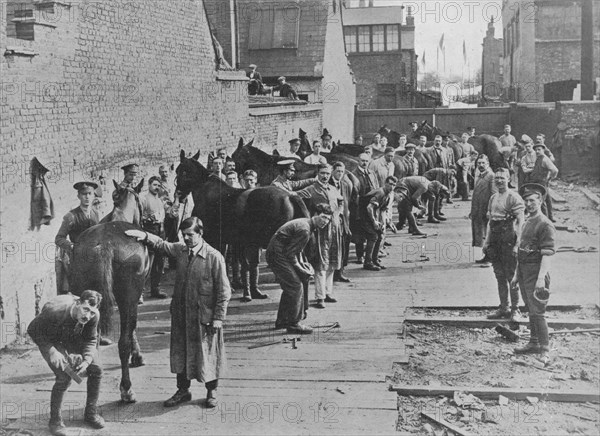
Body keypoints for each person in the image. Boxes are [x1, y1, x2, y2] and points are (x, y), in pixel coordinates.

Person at [125, 217, 231, 409]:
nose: (187, 238)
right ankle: (183, 390)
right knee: (181, 352)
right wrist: (144, 235)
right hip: (182, 314)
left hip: (205, 317)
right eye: (184, 235)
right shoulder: (181, 251)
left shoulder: (214, 257)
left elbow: (224, 291)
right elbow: (162, 245)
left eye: (191, 235)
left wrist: (218, 318)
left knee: (208, 354)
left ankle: (211, 391)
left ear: (200, 234)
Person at [27, 290, 105, 436]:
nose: (87, 316)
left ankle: (91, 413)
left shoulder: (93, 316)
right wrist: (52, 351)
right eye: (85, 309)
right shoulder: (55, 311)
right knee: (64, 377)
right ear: (77, 303)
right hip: (52, 340)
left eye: (92, 312)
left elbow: (91, 340)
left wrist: (87, 360)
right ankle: (55, 421)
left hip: (74, 336)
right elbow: (32, 329)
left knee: (97, 369)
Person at [266, 204, 333, 334]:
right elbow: (291, 254)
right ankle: (293, 324)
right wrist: (302, 270)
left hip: (279, 251)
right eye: (323, 217)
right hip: (277, 253)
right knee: (295, 286)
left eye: (328, 219)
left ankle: (283, 320)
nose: (325, 221)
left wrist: (303, 266)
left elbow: (296, 251)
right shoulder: (305, 230)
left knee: (292, 286)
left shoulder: (306, 224)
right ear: (315, 215)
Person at [512, 183, 556, 361]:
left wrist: (540, 279)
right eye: (526, 200)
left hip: (536, 272)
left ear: (540, 201)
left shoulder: (545, 224)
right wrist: (516, 275)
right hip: (524, 270)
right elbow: (522, 251)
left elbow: (546, 256)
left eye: (532, 200)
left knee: (538, 311)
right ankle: (533, 342)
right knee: (530, 308)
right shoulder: (527, 221)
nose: (529, 204)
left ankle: (545, 349)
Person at [297, 164, 343, 309]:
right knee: (320, 264)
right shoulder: (310, 190)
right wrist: (312, 216)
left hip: (334, 230)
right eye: (322, 173)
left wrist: (338, 213)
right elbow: (296, 197)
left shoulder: (333, 189)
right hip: (320, 231)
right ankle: (320, 297)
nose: (325, 176)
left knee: (332, 263)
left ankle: (328, 292)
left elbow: (341, 202)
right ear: (317, 174)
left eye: (328, 174)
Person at [483, 168, 525, 321]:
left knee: (511, 276)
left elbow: (521, 222)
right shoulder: (493, 197)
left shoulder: (514, 197)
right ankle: (504, 307)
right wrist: (486, 242)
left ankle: (515, 309)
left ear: (509, 179)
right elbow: (490, 221)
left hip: (508, 238)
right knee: (499, 275)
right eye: (497, 178)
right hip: (495, 239)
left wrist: (517, 244)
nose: (499, 180)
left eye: (502, 178)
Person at [55, 182, 101, 295]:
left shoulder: (96, 213)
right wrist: (72, 246)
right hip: (78, 259)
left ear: (93, 195)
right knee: (80, 290)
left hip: (95, 258)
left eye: (90, 194)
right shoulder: (71, 216)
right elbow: (59, 238)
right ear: (78, 196)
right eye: (84, 194)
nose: (87, 197)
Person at [141, 176, 180, 299]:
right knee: (148, 262)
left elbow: (172, 213)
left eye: (158, 185)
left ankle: (155, 289)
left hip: (161, 231)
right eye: (154, 185)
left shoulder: (161, 201)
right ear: (149, 185)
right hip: (149, 230)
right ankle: (140, 292)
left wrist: (177, 199)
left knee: (159, 262)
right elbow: (139, 216)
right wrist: (146, 218)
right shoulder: (143, 199)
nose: (157, 187)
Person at [360, 176, 398, 271]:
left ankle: (374, 260)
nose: (392, 187)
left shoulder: (389, 194)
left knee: (380, 235)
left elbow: (382, 210)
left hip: (372, 215)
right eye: (390, 184)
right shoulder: (380, 192)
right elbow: (369, 208)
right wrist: (374, 222)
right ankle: (367, 263)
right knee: (373, 236)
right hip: (362, 214)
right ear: (385, 183)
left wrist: (386, 223)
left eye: (394, 185)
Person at [352, 153, 380, 264]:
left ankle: (372, 255)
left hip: (371, 205)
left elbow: (376, 187)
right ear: (358, 161)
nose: (364, 163)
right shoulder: (354, 174)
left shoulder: (372, 173)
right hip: (360, 207)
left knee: (372, 231)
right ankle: (360, 256)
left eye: (366, 161)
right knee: (359, 233)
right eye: (362, 161)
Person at [470, 155, 497, 265]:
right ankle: (485, 256)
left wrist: (490, 210)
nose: (481, 165)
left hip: (486, 211)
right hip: (477, 210)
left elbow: (494, 195)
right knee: (479, 234)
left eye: (483, 163)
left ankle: (489, 258)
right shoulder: (479, 176)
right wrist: (472, 211)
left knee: (487, 234)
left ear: (488, 164)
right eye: (479, 163)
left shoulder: (491, 176)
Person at [525, 141, 559, 221]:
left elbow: (555, 170)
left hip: (541, 183)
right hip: (538, 182)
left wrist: (550, 178)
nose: (537, 151)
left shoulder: (545, 159)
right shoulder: (538, 158)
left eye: (539, 149)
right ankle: (550, 217)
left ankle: (544, 220)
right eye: (536, 150)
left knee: (541, 201)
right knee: (547, 199)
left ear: (543, 150)